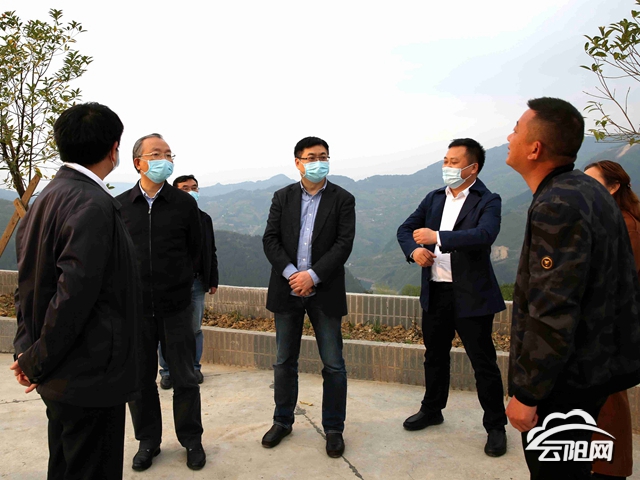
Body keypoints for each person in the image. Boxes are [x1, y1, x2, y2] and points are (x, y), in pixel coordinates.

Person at [505, 97, 640, 480]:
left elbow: (553, 309)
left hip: (564, 385)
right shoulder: (588, 190)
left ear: (535, 148)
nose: (509, 137)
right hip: (594, 371)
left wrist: (528, 394)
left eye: (516, 129)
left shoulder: (558, 204)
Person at [10, 102, 140, 479]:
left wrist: (27, 350)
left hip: (60, 376)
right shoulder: (93, 203)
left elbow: (27, 284)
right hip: (89, 375)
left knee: (65, 465)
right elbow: (73, 297)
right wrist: (34, 361)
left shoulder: (46, 198)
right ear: (114, 148)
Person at [397, 138, 508, 457]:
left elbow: (484, 235)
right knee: (434, 355)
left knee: (483, 362)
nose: (447, 167)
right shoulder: (434, 198)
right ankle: (432, 409)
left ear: (473, 168)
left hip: (472, 295)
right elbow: (405, 229)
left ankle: (495, 426)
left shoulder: (488, 200)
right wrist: (415, 250)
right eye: (445, 161)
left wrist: (437, 237)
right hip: (437, 291)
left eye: (454, 162)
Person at [261, 136, 356, 458]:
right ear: (298, 162)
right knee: (284, 361)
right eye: (311, 157)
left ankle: (334, 428)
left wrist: (312, 276)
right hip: (287, 289)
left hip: (324, 290)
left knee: (334, 364)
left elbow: (343, 244)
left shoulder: (343, 199)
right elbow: (270, 239)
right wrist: (293, 275)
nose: (319, 162)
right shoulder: (282, 197)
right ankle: (282, 421)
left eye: (323, 156)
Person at [117, 134, 206, 471]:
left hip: (176, 307)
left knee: (185, 378)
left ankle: (191, 439)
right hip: (136, 310)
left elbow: (195, 250)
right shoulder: (121, 206)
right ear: (138, 162)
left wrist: (179, 281)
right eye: (156, 154)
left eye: (168, 154)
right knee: (140, 380)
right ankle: (148, 442)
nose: (164, 160)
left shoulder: (184, 204)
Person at [584, 160, 640, 480]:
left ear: (614, 187)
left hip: (612, 326)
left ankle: (612, 470)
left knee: (609, 402)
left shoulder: (626, 226)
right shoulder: (607, 220)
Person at [158, 174, 219, 388]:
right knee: (167, 329)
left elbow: (210, 251)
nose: (191, 192)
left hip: (197, 282)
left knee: (194, 329)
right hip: (170, 283)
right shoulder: (165, 217)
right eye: (185, 188)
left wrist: (212, 279)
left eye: (194, 187)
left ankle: (194, 367)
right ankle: (167, 371)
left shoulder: (204, 219)